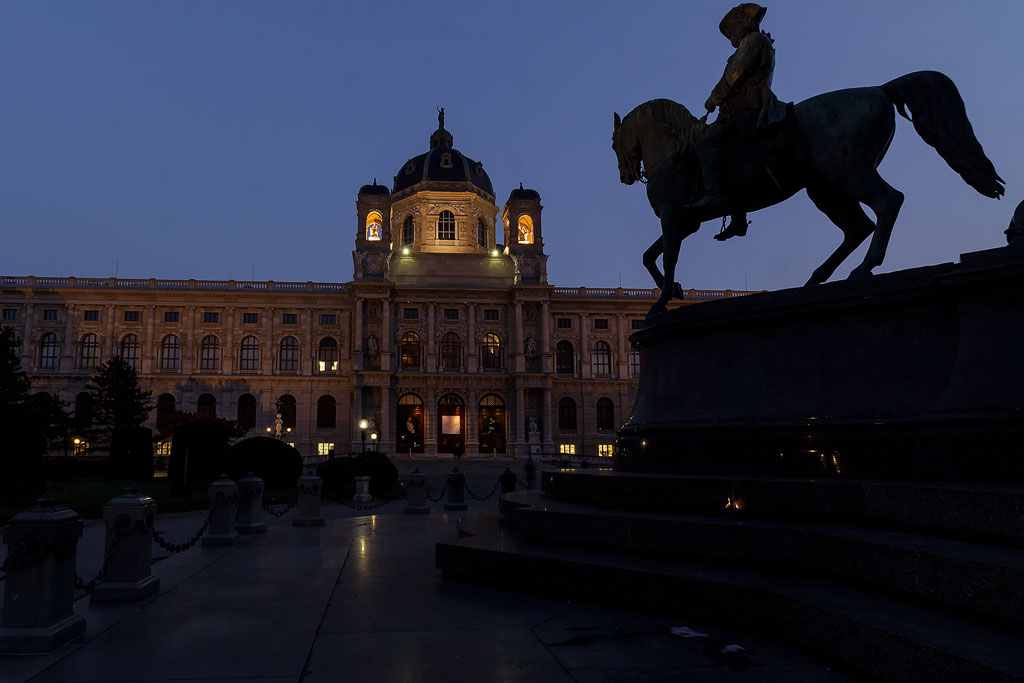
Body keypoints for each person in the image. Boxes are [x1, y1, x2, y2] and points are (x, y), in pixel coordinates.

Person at [686, 3, 788, 240]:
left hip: (747, 109)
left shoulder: (752, 41)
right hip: (742, 108)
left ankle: (715, 195)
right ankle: (738, 217)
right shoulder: (756, 41)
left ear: (744, 24)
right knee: (730, 156)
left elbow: (735, 75)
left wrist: (714, 97)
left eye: (731, 31)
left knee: (706, 143)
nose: (730, 38)